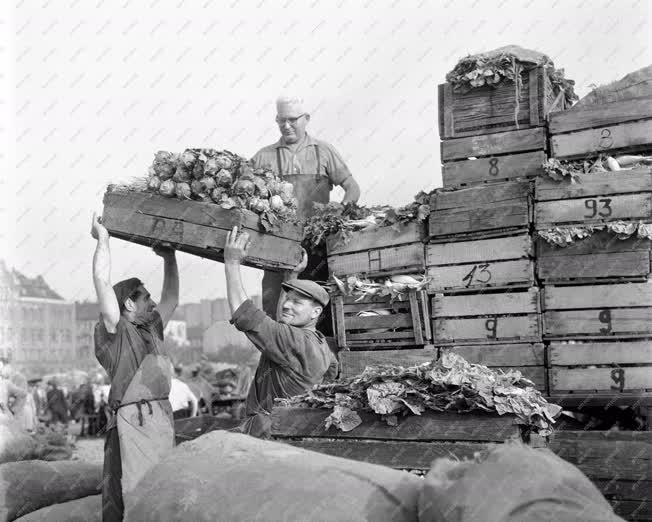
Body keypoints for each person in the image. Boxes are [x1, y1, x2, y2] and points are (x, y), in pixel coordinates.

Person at [90, 212, 179, 522]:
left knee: (161, 490)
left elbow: (172, 298)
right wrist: (103, 240)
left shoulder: (150, 328)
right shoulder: (116, 332)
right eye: (145, 297)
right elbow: (102, 282)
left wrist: (170, 258)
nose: (153, 303)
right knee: (127, 491)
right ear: (128, 303)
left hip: (160, 420)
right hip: (131, 422)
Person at [251, 95, 361, 327]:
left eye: (293, 120)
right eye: (281, 120)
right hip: (276, 247)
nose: (286, 125)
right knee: (275, 307)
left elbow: (352, 187)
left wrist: (341, 213)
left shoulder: (324, 151)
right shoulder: (264, 157)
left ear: (306, 119)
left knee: (316, 305)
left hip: (316, 245)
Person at [223, 226, 338, 438]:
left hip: (269, 435)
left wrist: (231, 262)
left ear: (316, 312)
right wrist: (292, 274)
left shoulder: (294, 341)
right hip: (291, 432)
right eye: (287, 299)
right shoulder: (321, 344)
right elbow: (281, 327)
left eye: (297, 303)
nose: (286, 306)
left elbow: (243, 314)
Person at [0, 357, 27, 423]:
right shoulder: (6, 381)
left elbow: (23, 394)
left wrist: (13, 410)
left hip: (6, 414)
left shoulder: (18, 378)